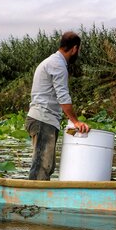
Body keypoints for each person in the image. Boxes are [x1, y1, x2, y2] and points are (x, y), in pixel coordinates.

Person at [25, 31, 89, 181]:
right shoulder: (58, 65)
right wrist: (76, 122)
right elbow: (63, 97)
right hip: (42, 119)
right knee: (42, 167)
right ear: (74, 49)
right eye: (77, 50)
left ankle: (37, 200)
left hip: (44, 118)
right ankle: (34, 201)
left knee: (47, 166)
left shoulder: (52, 61)